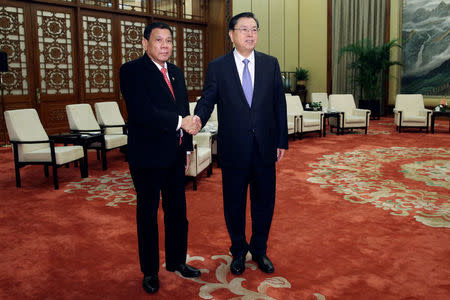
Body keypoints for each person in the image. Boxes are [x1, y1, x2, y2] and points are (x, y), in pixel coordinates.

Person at [194, 12, 288, 275]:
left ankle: (259, 250)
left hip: (264, 147)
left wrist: (281, 140)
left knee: (264, 202)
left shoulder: (270, 64)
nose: (250, 34)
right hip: (234, 149)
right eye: (244, 29)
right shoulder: (218, 67)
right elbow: (207, 100)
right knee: (234, 203)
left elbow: (278, 104)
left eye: (254, 29)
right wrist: (197, 120)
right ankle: (238, 250)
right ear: (231, 35)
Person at [119, 22, 201, 294]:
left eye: (168, 41)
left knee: (178, 212)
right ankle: (150, 271)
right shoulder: (131, 71)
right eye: (158, 40)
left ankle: (177, 261)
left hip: (176, 155)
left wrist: (187, 148)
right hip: (147, 157)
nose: (164, 45)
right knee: (148, 214)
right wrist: (181, 122)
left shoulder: (176, 72)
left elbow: (184, 111)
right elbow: (142, 112)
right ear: (145, 43)